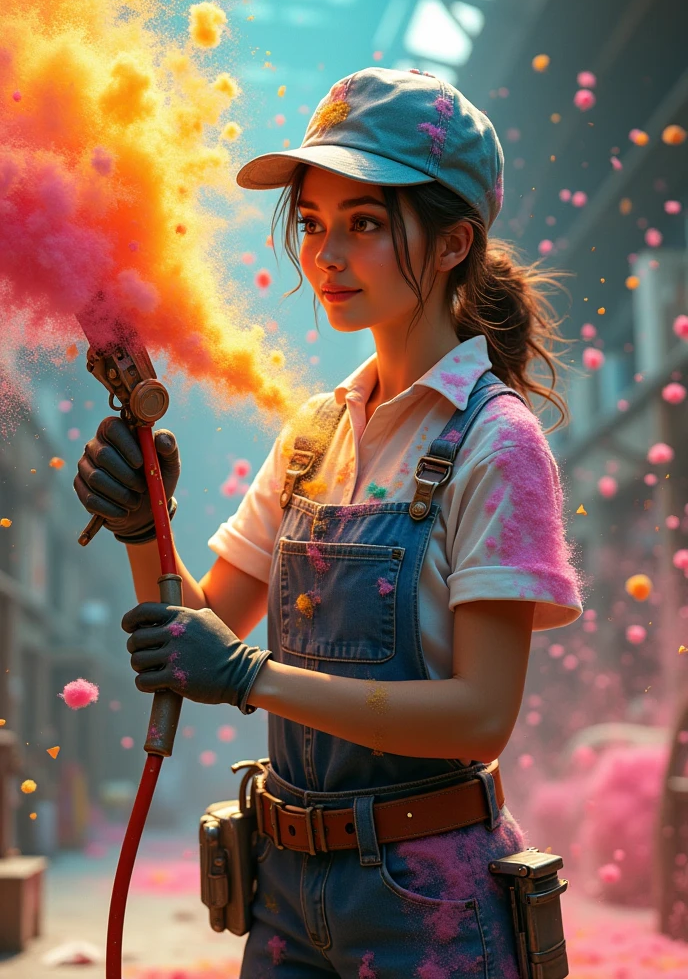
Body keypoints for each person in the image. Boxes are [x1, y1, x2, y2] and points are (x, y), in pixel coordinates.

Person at [74, 67, 582, 978]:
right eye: (312, 223)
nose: (325, 256)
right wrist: (144, 520)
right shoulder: (314, 434)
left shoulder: (496, 446)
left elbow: (479, 717)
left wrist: (252, 677)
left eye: (365, 224)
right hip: (283, 894)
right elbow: (209, 637)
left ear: (455, 240)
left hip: (427, 903)